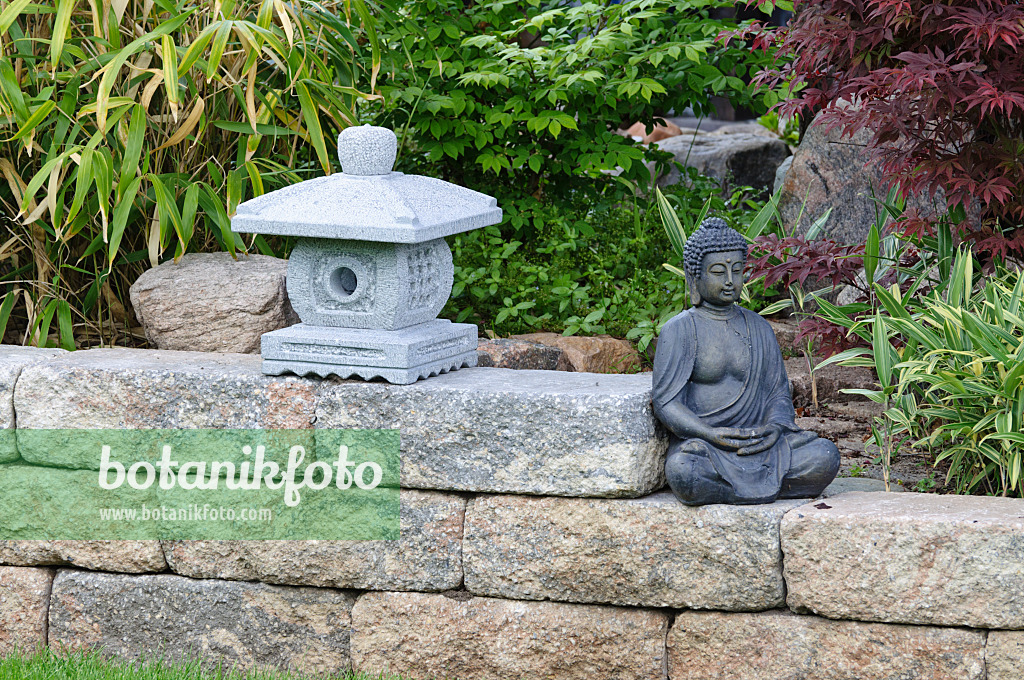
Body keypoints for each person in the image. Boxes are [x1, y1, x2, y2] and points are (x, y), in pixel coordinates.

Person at [652, 217, 839, 505]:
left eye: (737, 270)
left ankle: (727, 490)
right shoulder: (680, 330)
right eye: (718, 271)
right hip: (706, 446)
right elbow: (666, 403)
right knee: (683, 471)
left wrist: (774, 428)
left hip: (761, 444)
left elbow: (777, 393)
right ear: (694, 277)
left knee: (825, 455)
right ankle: (749, 488)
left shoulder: (759, 328)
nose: (730, 281)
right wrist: (709, 433)